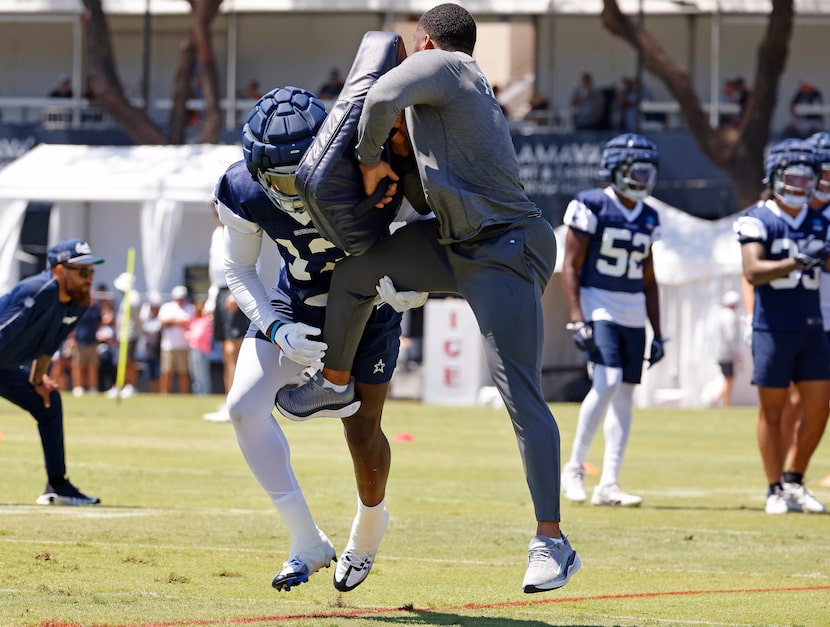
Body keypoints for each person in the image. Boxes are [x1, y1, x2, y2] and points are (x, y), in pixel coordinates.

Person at [277, 3, 581, 595]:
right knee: (357, 274)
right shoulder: (452, 99)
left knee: (519, 394)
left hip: (506, 246)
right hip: (455, 243)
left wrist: (366, 163)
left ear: (425, 42)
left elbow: (379, 96)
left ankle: (553, 541)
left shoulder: (450, 66)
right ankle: (335, 381)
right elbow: (424, 181)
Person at [216, 85, 422, 591]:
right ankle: (305, 540)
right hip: (299, 303)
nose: (289, 189)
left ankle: (370, 527)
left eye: (298, 172)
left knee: (361, 429)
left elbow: (427, 220)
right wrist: (276, 326)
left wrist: (415, 284)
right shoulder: (242, 189)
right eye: (277, 178)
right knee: (243, 408)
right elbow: (238, 268)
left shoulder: (365, 161)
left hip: (371, 308)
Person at [559, 133, 665, 508]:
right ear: (617, 169)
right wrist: (577, 317)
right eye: (636, 171)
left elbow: (650, 279)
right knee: (607, 381)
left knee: (625, 396)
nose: (642, 179)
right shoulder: (591, 204)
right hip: (598, 301)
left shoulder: (650, 215)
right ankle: (573, 468)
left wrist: (659, 331)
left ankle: (609, 483)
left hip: (633, 309)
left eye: (647, 172)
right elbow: (570, 265)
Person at [733, 138, 829, 515]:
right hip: (772, 327)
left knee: (820, 408)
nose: (801, 186)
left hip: (812, 325)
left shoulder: (819, 220)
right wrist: (798, 261)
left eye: (808, 180)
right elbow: (752, 271)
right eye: (794, 178)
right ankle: (773, 488)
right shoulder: (758, 218)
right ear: (775, 177)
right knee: (772, 412)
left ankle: (794, 479)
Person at [0, 238, 104, 505]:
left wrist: (37, 381)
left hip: (5, 367)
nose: (89, 277)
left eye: (91, 271)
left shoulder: (80, 303)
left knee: (48, 403)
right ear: (59, 270)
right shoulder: (37, 290)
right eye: (82, 271)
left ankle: (57, 486)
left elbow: (49, 346)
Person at [203, 210, 250, 422]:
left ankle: (238, 403)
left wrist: (236, 293)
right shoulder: (216, 233)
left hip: (235, 290)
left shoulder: (239, 230)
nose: (215, 213)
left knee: (234, 350)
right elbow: (215, 272)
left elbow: (250, 262)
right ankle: (230, 401)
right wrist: (211, 300)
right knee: (225, 350)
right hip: (221, 292)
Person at [158, 285, 194, 394]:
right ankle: (164, 394)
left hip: (184, 346)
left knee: (184, 372)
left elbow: (190, 324)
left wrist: (172, 322)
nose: (180, 300)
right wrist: (178, 322)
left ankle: (184, 395)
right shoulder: (167, 307)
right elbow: (163, 322)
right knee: (166, 372)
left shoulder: (190, 308)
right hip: (168, 346)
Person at [714, 290, 742, 407]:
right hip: (727, 354)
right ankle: (716, 401)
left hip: (722, 353)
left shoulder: (721, 315)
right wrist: (737, 354)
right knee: (728, 379)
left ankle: (726, 404)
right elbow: (731, 338)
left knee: (728, 379)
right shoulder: (729, 316)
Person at [186, 298, 213, 396]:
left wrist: (189, 336)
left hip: (201, 350)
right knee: (195, 373)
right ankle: (197, 393)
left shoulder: (206, 321)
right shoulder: (194, 321)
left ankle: (204, 393)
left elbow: (198, 335)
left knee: (202, 374)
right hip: (194, 349)